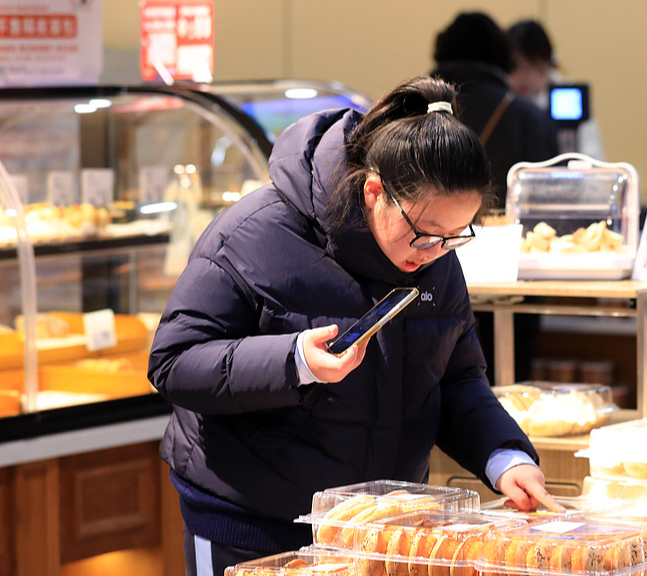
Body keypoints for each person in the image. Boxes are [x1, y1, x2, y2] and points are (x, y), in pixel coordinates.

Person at [148, 76, 560, 576]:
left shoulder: (434, 256)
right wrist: (294, 360)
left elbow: (454, 378)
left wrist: (504, 456)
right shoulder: (254, 232)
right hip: (253, 521)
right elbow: (174, 362)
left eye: (456, 236)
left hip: (377, 533)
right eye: (426, 234)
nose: (435, 252)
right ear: (374, 191)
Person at [431, 11, 558, 384]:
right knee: (508, 380)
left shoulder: (412, 114)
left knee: (437, 375)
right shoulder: (529, 117)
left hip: (432, 259)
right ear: (503, 56)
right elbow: (549, 208)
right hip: (514, 272)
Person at [507, 19, 605, 160]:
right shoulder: (504, 103)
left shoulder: (569, 97)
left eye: (529, 67)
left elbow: (592, 157)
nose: (520, 78)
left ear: (547, 63)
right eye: (514, 69)